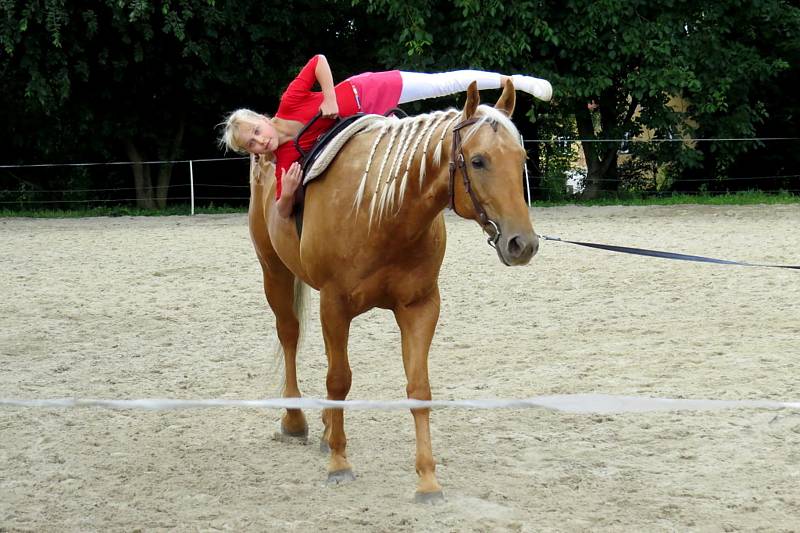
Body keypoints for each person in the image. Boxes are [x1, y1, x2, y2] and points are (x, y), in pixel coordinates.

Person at [219, 54, 552, 218]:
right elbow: (280, 210)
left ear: (263, 119)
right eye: (252, 144)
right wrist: (289, 194)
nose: (260, 141)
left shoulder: (290, 102)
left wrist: (330, 98)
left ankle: (517, 80)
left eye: (257, 132)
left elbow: (318, 61)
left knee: (442, 83)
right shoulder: (285, 159)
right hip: (373, 123)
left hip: (368, 90)